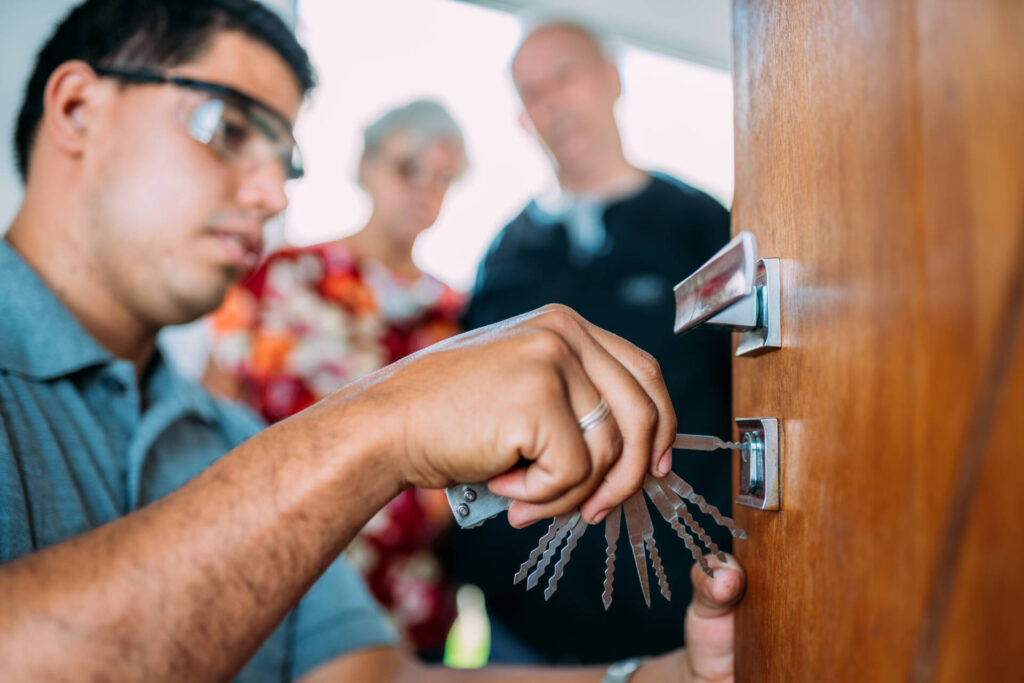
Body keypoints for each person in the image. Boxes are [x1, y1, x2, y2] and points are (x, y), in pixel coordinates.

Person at [0, 1, 744, 681]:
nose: (272, 195)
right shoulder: (267, 425)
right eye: (225, 128)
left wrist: (664, 676)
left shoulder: (221, 439)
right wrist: (383, 423)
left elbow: (369, 675)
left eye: (284, 162)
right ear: (75, 106)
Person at [455, 19, 735, 664]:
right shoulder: (505, 251)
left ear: (610, 80)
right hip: (522, 621)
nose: (551, 103)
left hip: (676, 619)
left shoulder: (697, 223)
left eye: (565, 77)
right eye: (532, 93)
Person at [202, 99, 469, 657]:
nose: (424, 189)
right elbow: (207, 411)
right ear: (367, 166)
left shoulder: (453, 315)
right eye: (408, 168)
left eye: (442, 178)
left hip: (401, 594)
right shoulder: (280, 277)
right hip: (273, 570)